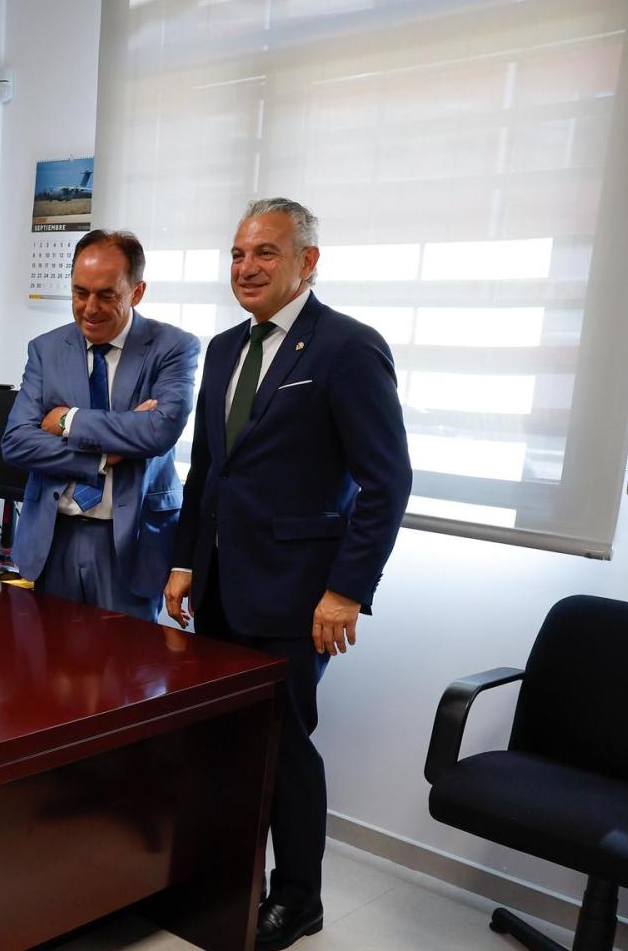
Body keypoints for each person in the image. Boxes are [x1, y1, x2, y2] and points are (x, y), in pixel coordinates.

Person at [163, 198, 412, 951]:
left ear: (308, 261)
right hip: (218, 587)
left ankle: (298, 898)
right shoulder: (223, 347)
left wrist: (345, 591)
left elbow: (387, 481)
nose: (247, 268)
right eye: (238, 254)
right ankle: (232, 883)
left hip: (298, 598)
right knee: (226, 747)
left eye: (266, 253)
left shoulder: (346, 348)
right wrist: (182, 560)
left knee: (286, 749)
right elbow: (207, 471)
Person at [1, 229, 200, 621]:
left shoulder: (173, 347)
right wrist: (102, 456)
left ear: (137, 292)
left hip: (130, 543)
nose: (89, 308)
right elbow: (17, 443)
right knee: (46, 671)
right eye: (79, 292)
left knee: (125, 673)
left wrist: (68, 419)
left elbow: (158, 432)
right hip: (52, 537)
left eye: (106, 295)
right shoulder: (46, 349)